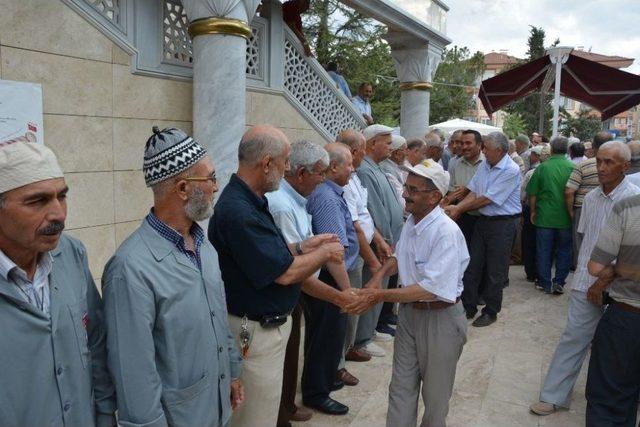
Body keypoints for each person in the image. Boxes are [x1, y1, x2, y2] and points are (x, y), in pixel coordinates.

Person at [102, 128, 242, 427]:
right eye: (210, 178)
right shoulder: (130, 269)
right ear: (183, 188)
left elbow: (217, 317)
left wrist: (231, 372)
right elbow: (134, 374)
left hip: (216, 410)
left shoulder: (204, 246)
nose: (216, 187)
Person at [209, 125, 345, 427]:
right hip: (252, 331)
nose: (288, 169)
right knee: (253, 416)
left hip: (262, 329)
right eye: (285, 161)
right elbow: (284, 273)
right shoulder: (239, 210)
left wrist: (302, 246)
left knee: (265, 410)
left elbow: (268, 254)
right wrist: (324, 254)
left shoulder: (251, 200)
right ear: (267, 163)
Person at [0, 141, 116, 427]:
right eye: (37, 201)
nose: (59, 215)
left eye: (61, 197)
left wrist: (104, 416)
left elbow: (96, 341)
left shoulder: (71, 254)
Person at [530, 141, 638, 417]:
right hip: (585, 282)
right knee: (574, 337)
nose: (601, 167)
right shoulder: (590, 198)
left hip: (623, 289)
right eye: (599, 160)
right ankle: (555, 395)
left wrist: (603, 281)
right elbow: (586, 241)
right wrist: (587, 278)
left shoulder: (633, 200)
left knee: (618, 348)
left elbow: (630, 251)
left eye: (609, 162)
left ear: (625, 166)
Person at [361, 162, 469, 427]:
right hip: (409, 315)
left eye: (413, 190)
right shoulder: (413, 219)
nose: (405, 194)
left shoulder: (445, 232)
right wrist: (376, 278)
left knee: (435, 398)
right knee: (400, 387)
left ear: (434, 197)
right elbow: (400, 253)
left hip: (440, 320)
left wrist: (378, 296)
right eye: (406, 187)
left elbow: (431, 289)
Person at [267, 140, 362, 426]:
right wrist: (342, 295)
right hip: (293, 289)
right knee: (292, 352)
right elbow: (292, 268)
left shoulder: (297, 198)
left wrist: (311, 245)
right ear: (300, 173)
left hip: (303, 286)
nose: (323, 180)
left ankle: (292, 404)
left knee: (299, 347)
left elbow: (297, 249)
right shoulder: (283, 205)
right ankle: (297, 403)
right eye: (319, 173)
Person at [302, 142, 366, 415]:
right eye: (349, 164)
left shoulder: (332, 192)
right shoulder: (326, 197)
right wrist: (346, 291)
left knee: (332, 335)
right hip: (330, 277)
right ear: (333, 167)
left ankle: (326, 380)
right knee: (326, 336)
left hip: (334, 275)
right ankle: (317, 392)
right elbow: (332, 253)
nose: (353, 169)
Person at [445, 131, 522, 327]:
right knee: (472, 265)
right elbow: (474, 192)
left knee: (495, 270)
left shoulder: (510, 170)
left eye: (486, 148)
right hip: (484, 221)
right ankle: (468, 307)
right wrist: (458, 207)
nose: (483, 151)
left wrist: (458, 208)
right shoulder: (486, 165)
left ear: (499, 150)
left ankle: (491, 310)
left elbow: (487, 198)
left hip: (503, 223)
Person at [337, 129, 393, 363]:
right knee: (353, 303)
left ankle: (355, 343)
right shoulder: (345, 181)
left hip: (368, 246)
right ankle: (350, 348)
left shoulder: (355, 176)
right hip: (354, 254)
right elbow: (355, 226)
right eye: (360, 151)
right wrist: (372, 260)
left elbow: (365, 215)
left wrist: (379, 239)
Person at [584, 194, 640, 426]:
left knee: (610, 398)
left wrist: (623, 268)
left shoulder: (629, 207)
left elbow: (596, 267)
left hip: (628, 317)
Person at [353, 124, 404, 355]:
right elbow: (373, 209)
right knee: (373, 283)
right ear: (372, 143)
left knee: (381, 284)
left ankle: (370, 330)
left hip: (387, 240)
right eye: (386, 140)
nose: (390, 145)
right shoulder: (365, 170)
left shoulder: (378, 167)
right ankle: (362, 338)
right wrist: (385, 238)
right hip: (379, 242)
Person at [527, 136, 575, 294]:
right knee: (564, 251)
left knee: (544, 251)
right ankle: (559, 281)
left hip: (544, 217)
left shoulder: (542, 167)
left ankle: (545, 282)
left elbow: (532, 193)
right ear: (567, 150)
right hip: (566, 218)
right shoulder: (572, 167)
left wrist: (533, 211)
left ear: (552, 150)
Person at [565, 131, 613, 271]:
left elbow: (569, 191)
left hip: (582, 208)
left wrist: (570, 212)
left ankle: (582, 269)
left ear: (593, 146)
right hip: (610, 207)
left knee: (581, 241)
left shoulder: (583, 165)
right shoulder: (618, 165)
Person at [442, 129, 485, 247]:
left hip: (484, 217)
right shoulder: (454, 162)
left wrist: (467, 189)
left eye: (468, 143)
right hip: (462, 216)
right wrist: (446, 201)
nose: (463, 147)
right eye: (462, 143)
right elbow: (451, 190)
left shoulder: (487, 164)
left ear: (479, 145)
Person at [521, 145, 545, 282]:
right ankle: (541, 274)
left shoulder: (531, 173)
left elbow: (524, 193)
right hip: (548, 212)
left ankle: (531, 272)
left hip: (531, 209)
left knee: (529, 241)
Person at [380, 134, 408, 208]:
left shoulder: (393, 166)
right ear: (397, 153)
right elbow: (401, 201)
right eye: (405, 150)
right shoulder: (387, 170)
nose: (407, 153)